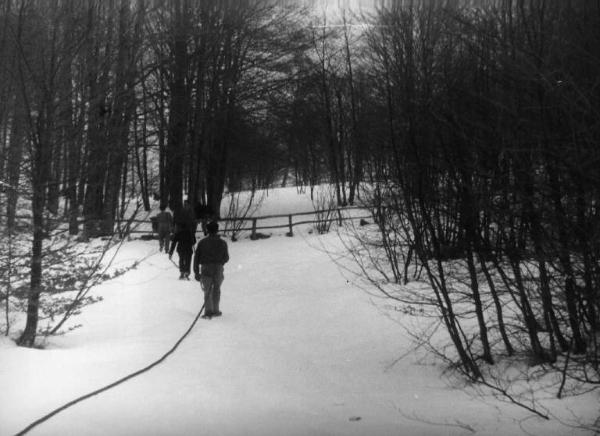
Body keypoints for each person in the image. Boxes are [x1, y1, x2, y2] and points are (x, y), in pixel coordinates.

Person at [193, 221, 229, 319]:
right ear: (217, 230)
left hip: (206, 268)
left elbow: (196, 258)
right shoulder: (222, 243)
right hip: (218, 268)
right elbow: (226, 258)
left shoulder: (202, 243)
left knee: (207, 290)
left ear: (207, 230)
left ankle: (208, 311)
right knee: (216, 289)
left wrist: (196, 272)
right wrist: (219, 263)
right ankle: (216, 310)